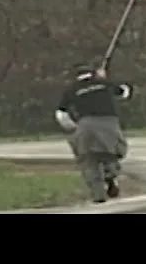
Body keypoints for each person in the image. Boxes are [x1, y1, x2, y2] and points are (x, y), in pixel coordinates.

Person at [55, 64, 133, 203]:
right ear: (92, 73)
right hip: (109, 122)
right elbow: (124, 92)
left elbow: (61, 113)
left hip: (85, 124)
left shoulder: (71, 89)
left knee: (88, 159)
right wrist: (105, 79)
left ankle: (98, 195)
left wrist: (73, 128)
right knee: (113, 152)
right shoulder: (103, 83)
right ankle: (111, 174)